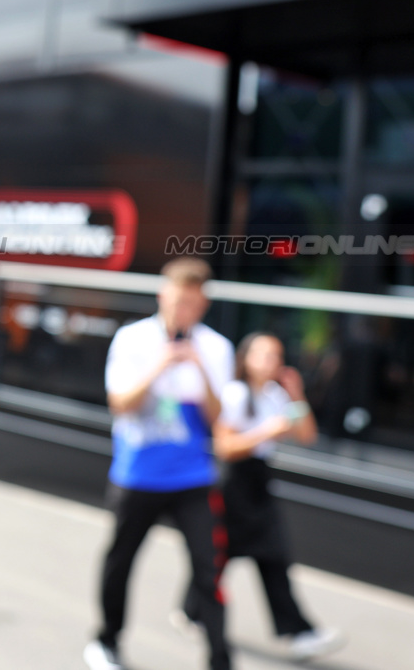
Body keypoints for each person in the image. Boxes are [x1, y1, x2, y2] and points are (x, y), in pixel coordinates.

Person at [85, 257, 235, 670]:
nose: (184, 309)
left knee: (210, 569)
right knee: (121, 560)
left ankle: (221, 659)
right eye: (179, 299)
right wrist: (160, 365)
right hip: (139, 475)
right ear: (163, 295)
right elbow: (120, 404)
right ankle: (107, 640)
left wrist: (199, 369)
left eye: (193, 302)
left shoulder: (216, 348)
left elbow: (219, 419)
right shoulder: (132, 339)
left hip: (193, 477)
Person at [201, 332, 344, 661]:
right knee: (218, 554)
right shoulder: (235, 394)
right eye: (263, 354)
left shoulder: (276, 396)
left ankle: (299, 631)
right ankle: (194, 609)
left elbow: (306, 433)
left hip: (259, 481)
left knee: (273, 555)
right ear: (246, 359)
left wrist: (296, 395)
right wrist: (266, 432)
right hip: (233, 482)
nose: (271, 362)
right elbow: (225, 447)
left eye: (276, 356)